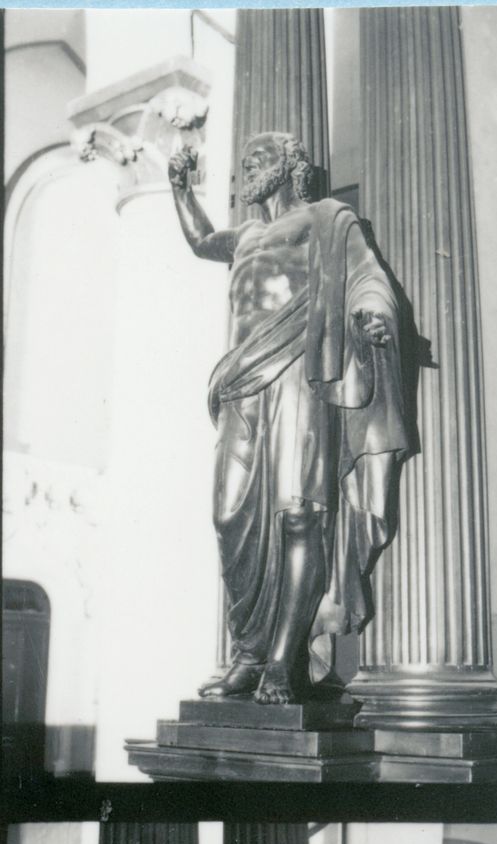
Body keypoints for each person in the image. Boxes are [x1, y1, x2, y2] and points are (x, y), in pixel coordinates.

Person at [167, 123, 413, 703]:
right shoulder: (246, 236)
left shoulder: (326, 219)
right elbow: (201, 239)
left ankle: (281, 660)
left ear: (289, 164)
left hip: (301, 373)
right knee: (229, 515)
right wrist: (180, 188)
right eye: (245, 160)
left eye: (259, 158)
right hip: (241, 380)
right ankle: (248, 652)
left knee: (300, 513)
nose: (247, 168)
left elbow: (367, 277)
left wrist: (373, 313)